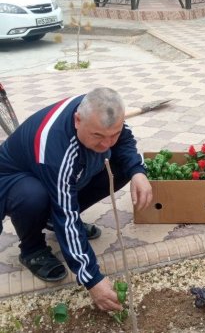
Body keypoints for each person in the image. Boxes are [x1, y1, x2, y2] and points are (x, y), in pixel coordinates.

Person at [0, 87, 152, 311]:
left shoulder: (98, 111)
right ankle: (32, 249)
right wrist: (92, 279)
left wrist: (138, 172)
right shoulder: (56, 151)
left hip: (56, 174)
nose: (106, 144)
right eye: (98, 136)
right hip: (15, 179)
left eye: (113, 134)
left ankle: (50, 219)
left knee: (122, 167)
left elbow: (124, 140)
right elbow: (67, 214)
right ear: (77, 120)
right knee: (35, 197)